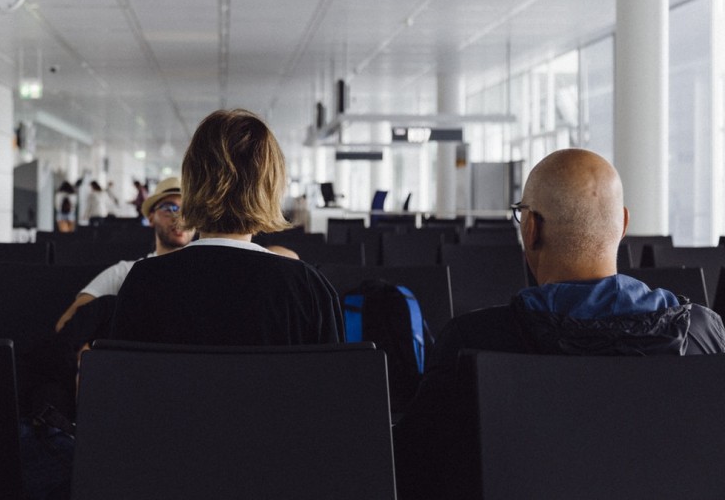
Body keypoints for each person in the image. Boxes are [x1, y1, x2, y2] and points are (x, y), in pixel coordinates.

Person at [393, 148, 725, 499]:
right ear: (623, 224)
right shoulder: (702, 331)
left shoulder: (473, 340)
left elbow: (414, 471)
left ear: (531, 228)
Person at [110, 108, 342, 345]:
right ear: (271, 188)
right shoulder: (308, 290)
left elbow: (123, 378)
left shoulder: (144, 281)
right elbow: (329, 380)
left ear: (191, 183)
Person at [54, 176, 194, 334]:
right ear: (151, 217)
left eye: (187, 211)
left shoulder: (202, 276)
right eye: (169, 208)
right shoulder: (125, 272)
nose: (179, 218)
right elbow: (66, 323)